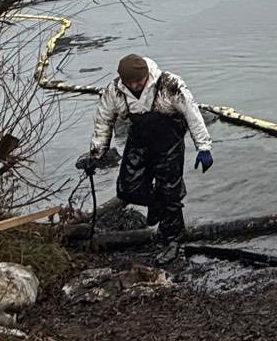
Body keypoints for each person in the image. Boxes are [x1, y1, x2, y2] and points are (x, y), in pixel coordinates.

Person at [88, 54, 213, 264]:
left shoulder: (170, 84)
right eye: (131, 82)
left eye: (140, 80)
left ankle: (173, 240)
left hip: (169, 141)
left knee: (170, 192)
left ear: (147, 74)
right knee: (127, 188)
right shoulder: (114, 91)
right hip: (139, 139)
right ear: (123, 80)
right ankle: (157, 204)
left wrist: (204, 147)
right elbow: (103, 120)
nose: (136, 85)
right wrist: (97, 153)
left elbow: (192, 114)